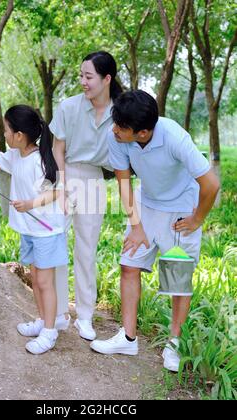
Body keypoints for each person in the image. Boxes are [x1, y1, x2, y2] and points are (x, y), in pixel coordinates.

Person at [90, 90, 220, 371]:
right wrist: (136, 226)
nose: (114, 130)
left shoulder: (174, 137)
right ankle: (127, 337)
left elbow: (211, 184)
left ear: (143, 132)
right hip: (146, 205)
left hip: (180, 209)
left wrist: (197, 219)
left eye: (121, 128)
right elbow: (123, 182)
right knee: (129, 264)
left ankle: (174, 343)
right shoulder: (118, 137)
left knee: (176, 276)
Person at [0, 105, 68, 355]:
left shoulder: (40, 160)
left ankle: (50, 332)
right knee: (35, 279)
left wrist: (30, 203)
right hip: (29, 230)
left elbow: (55, 192)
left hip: (47, 231)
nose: (5, 134)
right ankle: (43, 321)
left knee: (44, 282)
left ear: (19, 135)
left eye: (7, 130)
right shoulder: (15, 156)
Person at [50, 51, 122, 340]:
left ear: (107, 79)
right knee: (54, 242)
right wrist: (62, 184)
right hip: (64, 175)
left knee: (86, 251)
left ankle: (85, 316)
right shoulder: (68, 107)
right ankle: (56, 313)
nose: (82, 81)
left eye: (88, 76)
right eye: (81, 75)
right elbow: (57, 148)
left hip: (94, 180)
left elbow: (122, 157)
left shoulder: (119, 113)